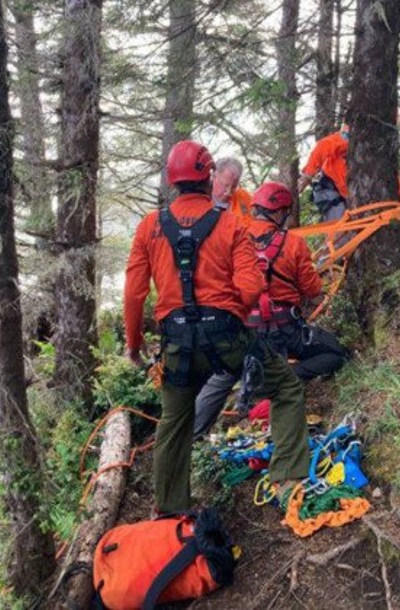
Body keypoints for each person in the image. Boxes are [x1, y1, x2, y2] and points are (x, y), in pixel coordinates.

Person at [124, 141, 310, 512]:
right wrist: (229, 313)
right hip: (227, 337)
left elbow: (135, 292)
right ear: (208, 178)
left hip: (177, 343)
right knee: (286, 387)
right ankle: (287, 479)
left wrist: (134, 343)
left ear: (171, 181)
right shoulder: (231, 225)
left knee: (174, 421)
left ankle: (170, 509)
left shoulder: (149, 227)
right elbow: (252, 286)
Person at [193, 182, 349, 439]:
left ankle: (192, 436)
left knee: (222, 374)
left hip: (239, 330)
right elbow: (312, 290)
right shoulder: (293, 244)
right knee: (335, 353)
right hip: (283, 331)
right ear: (279, 213)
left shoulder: (231, 237)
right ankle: (287, 376)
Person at [298, 122, 400, 223]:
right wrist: (307, 176)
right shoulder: (352, 136)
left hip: (350, 195)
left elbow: (390, 177)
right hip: (331, 189)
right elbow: (323, 146)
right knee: (340, 234)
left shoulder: (378, 149)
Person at [212, 157, 253, 227]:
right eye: (225, 185)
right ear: (214, 177)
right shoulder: (201, 199)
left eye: (234, 186)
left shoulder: (244, 198)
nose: (228, 192)